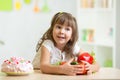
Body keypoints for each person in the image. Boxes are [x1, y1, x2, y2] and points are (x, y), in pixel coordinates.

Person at [32, 12, 99, 76]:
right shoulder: (48, 45)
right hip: (37, 74)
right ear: (52, 29)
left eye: (67, 29)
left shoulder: (74, 47)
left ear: (72, 35)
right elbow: (44, 67)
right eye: (58, 27)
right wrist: (62, 69)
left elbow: (96, 63)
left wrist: (91, 67)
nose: (62, 31)